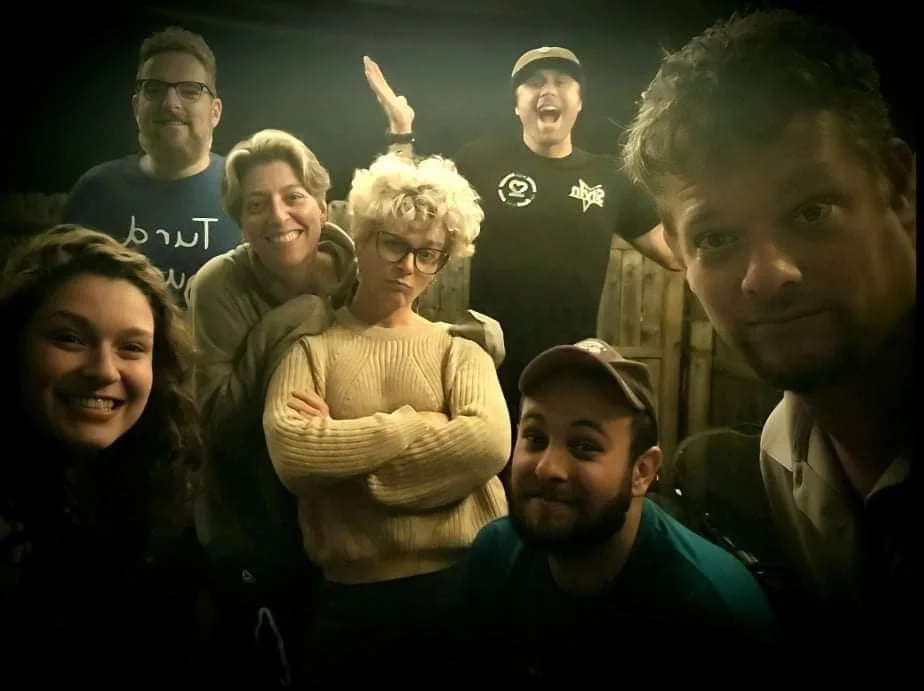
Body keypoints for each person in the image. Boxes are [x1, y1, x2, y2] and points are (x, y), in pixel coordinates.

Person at [621, 8, 916, 660]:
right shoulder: (786, 451)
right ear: (679, 251)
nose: (767, 274)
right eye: (717, 237)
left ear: (897, 189)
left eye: (811, 211)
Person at [262, 152, 511, 687]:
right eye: (395, 244)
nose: (409, 266)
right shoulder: (311, 350)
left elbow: (488, 444)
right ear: (362, 236)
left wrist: (352, 468)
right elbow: (296, 455)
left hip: (458, 590)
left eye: (429, 254)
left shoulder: (459, 351)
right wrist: (414, 425)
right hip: (350, 600)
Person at [364, 49, 681, 428]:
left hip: (568, 366)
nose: (548, 90)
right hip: (485, 364)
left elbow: (674, 253)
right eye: (534, 83)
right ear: (517, 105)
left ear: (579, 102)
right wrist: (401, 131)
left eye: (561, 82)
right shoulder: (481, 160)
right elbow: (408, 213)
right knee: (489, 472)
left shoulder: (610, 177)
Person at [458, 338, 778, 683]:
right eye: (536, 438)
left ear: (642, 471)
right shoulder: (495, 554)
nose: (547, 468)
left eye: (584, 446)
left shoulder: (713, 610)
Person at [0, 225, 208, 684]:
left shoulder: (163, 497)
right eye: (69, 339)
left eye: (132, 348)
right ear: (13, 345)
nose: (103, 370)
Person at [62, 26, 239, 306]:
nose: (170, 103)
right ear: (136, 107)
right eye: (154, 89)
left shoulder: (247, 190)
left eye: (190, 90)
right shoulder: (95, 194)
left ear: (215, 111)